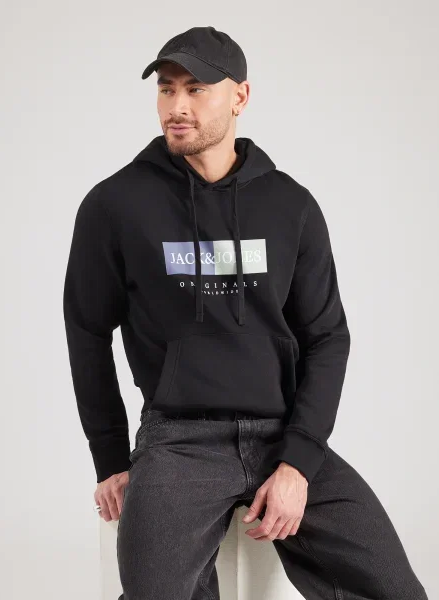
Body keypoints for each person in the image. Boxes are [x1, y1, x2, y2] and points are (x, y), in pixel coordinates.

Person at [63, 25, 428, 600]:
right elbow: (86, 330)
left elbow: (328, 336)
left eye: (196, 89)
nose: (176, 107)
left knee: (397, 590)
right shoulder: (115, 204)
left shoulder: (290, 204)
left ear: (240, 96)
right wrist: (109, 460)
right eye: (166, 88)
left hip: (283, 436)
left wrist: (298, 464)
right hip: (178, 443)